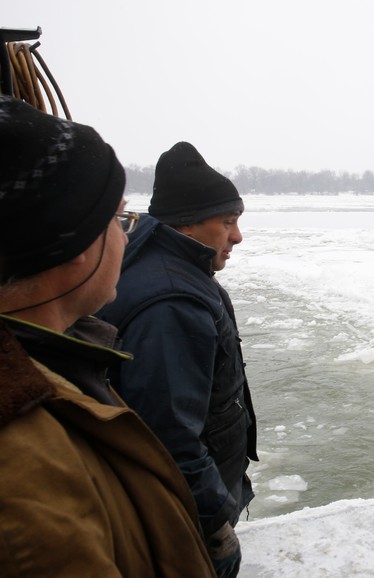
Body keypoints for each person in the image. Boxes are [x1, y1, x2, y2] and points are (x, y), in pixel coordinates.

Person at [0, 96, 217, 577]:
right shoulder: (28, 471)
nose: (127, 237)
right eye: (119, 220)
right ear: (74, 245)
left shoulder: (59, 369)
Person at [96, 142, 258, 578]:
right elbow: (168, 436)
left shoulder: (165, 266)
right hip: (187, 519)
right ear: (187, 225)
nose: (238, 236)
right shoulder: (171, 302)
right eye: (227, 222)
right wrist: (214, 519)